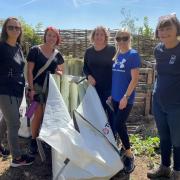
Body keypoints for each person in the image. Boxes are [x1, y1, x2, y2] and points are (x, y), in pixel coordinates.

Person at [147, 14, 180, 180]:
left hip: (176, 105)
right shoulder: (158, 50)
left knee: (178, 139)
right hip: (159, 102)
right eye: (162, 29)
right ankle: (165, 168)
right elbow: (160, 74)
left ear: (177, 30)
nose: (165, 32)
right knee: (164, 137)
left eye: (168, 28)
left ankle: (177, 172)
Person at [0, 17, 34, 167]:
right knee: (14, 123)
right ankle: (17, 158)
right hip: (4, 90)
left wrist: (27, 86)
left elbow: (21, 69)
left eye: (17, 28)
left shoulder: (18, 47)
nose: (14, 30)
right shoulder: (1, 47)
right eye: (11, 27)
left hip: (18, 89)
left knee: (5, 121)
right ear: (5, 29)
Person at [27, 26, 64, 156]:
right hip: (36, 87)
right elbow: (29, 71)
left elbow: (60, 70)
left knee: (48, 115)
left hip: (50, 89)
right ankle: (32, 140)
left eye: (54, 36)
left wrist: (57, 72)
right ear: (45, 36)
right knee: (37, 114)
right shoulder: (35, 50)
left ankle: (45, 139)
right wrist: (31, 89)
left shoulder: (58, 54)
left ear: (57, 38)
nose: (51, 38)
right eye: (49, 35)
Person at [110, 29, 141, 173]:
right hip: (115, 98)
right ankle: (123, 147)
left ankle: (129, 155)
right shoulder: (116, 55)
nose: (121, 41)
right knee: (120, 125)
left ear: (130, 39)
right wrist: (112, 95)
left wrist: (125, 97)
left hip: (125, 99)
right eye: (119, 39)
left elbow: (134, 79)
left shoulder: (133, 55)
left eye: (125, 38)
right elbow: (116, 78)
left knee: (118, 123)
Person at [83, 26, 116, 133]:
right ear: (93, 36)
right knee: (96, 114)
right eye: (97, 34)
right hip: (94, 89)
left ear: (105, 36)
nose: (99, 36)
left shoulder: (112, 50)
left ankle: (113, 140)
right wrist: (88, 76)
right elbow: (85, 67)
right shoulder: (88, 52)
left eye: (101, 34)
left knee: (111, 115)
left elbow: (117, 68)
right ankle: (98, 140)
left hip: (109, 89)